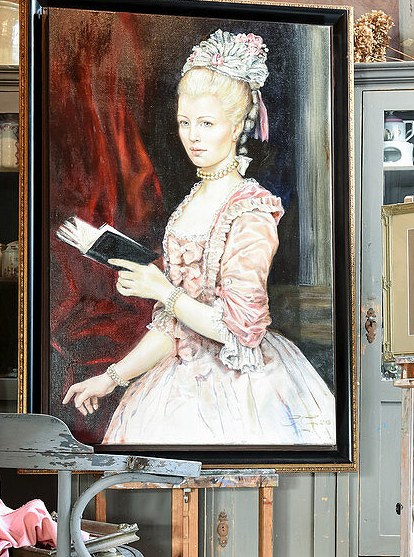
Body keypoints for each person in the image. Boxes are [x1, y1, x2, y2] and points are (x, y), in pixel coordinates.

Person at [60, 29, 335, 446]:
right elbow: (175, 329)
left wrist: (162, 290)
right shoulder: (187, 207)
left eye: (207, 123)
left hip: (242, 389)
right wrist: (110, 378)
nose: (193, 136)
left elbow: (240, 332)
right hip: (177, 380)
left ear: (239, 125)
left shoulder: (251, 210)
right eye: (185, 123)